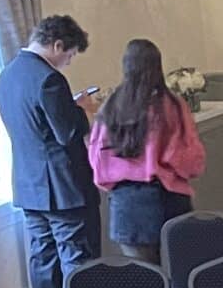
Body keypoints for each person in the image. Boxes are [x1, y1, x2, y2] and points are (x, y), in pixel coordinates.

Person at [0, 14, 100, 288]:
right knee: (76, 260)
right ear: (56, 45)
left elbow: (35, 126)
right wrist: (82, 109)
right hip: (63, 186)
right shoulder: (49, 80)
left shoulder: (6, 75)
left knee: (42, 260)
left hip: (28, 185)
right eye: (69, 55)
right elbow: (67, 134)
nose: (68, 62)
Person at [88, 39, 205, 263]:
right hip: (168, 198)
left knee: (145, 281)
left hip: (127, 204)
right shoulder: (172, 105)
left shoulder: (111, 106)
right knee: (179, 276)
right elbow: (190, 158)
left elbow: (97, 161)